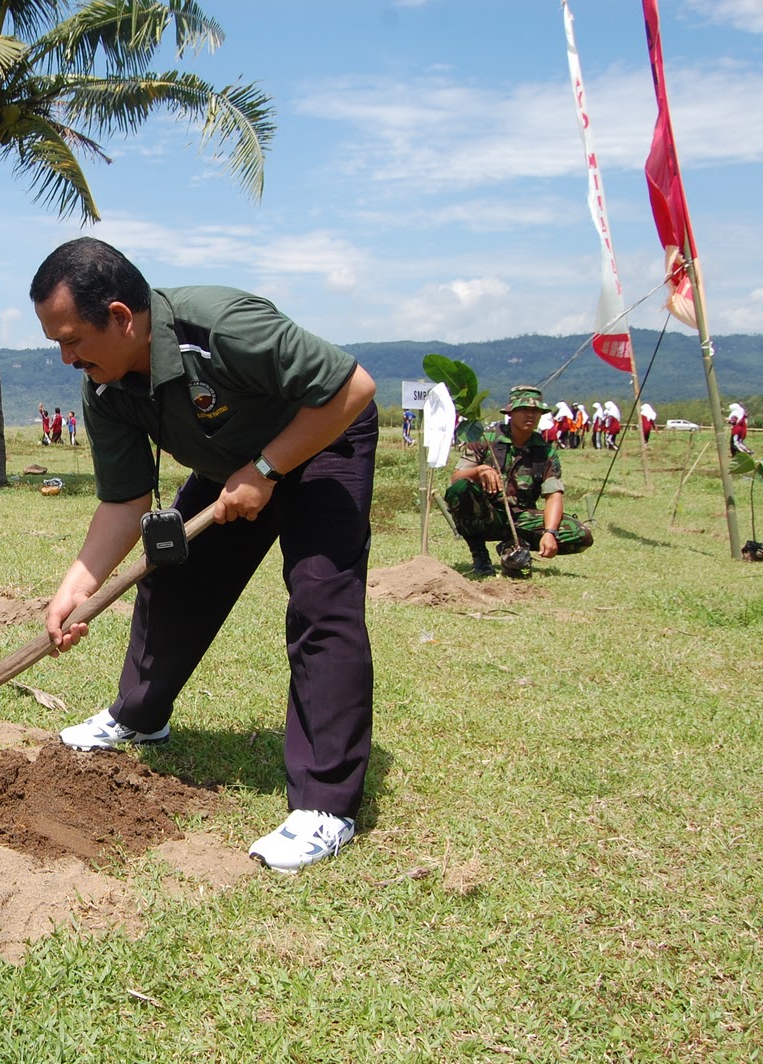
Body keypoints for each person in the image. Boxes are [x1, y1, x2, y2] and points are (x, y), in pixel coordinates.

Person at [29, 237, 379, 874]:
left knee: (320, 603)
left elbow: (352, 386)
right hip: (234, 467)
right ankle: (138, 717)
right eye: (56, 341)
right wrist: (77, 583)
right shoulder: (104, 387)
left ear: (121, 317)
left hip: (323, 435)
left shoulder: (220, 326)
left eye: (73, 338)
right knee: (174, 580)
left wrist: (270, 466)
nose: (65, 357)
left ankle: (326, 805)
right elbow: (125, 502)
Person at [445, 385, 594, 578]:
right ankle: (479, 555)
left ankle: (515, 545)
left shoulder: (545, 452)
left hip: (522, 518)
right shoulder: (486, 439)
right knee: (460, 489)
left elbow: (554, 495)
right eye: (524, 410)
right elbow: (456, 478)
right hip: (486, 516)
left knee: (581, 535)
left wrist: (549, 533)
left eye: (535, 411)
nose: (530, 415)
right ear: (511, 412)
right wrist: (480, 470)